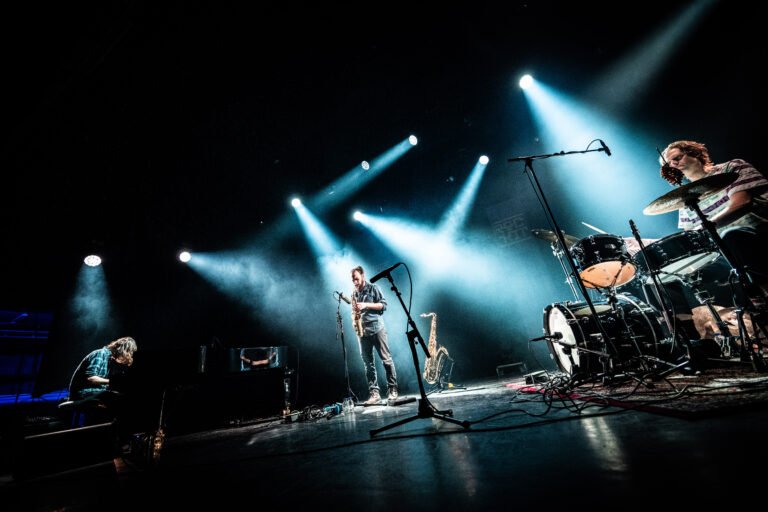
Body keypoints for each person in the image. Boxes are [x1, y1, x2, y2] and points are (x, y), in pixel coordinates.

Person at [659, 140, 768, 295]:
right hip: (724, 255)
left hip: (757, 234)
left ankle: (760, 296)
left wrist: (705, 227)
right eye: (669, 163)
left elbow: (743, 203)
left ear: (695, 154)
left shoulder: (731, 168)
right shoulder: (684, 200)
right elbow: (692, 240)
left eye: (677, 157)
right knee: (666, 277)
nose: (674, 163)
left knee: (732, 235)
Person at [351, 266, 398, 404]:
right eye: (353, 279)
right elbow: (354, 311)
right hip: (362, 332)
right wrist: (354, 321)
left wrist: (366, 305)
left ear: (363, 276)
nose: (355, 282)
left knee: (386, 360)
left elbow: (384, 305)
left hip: (377, 328)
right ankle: (374, 394)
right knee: (368, 364)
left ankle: (393, 389)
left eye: (357, 278)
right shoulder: (354, 293)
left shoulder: (374, 288)